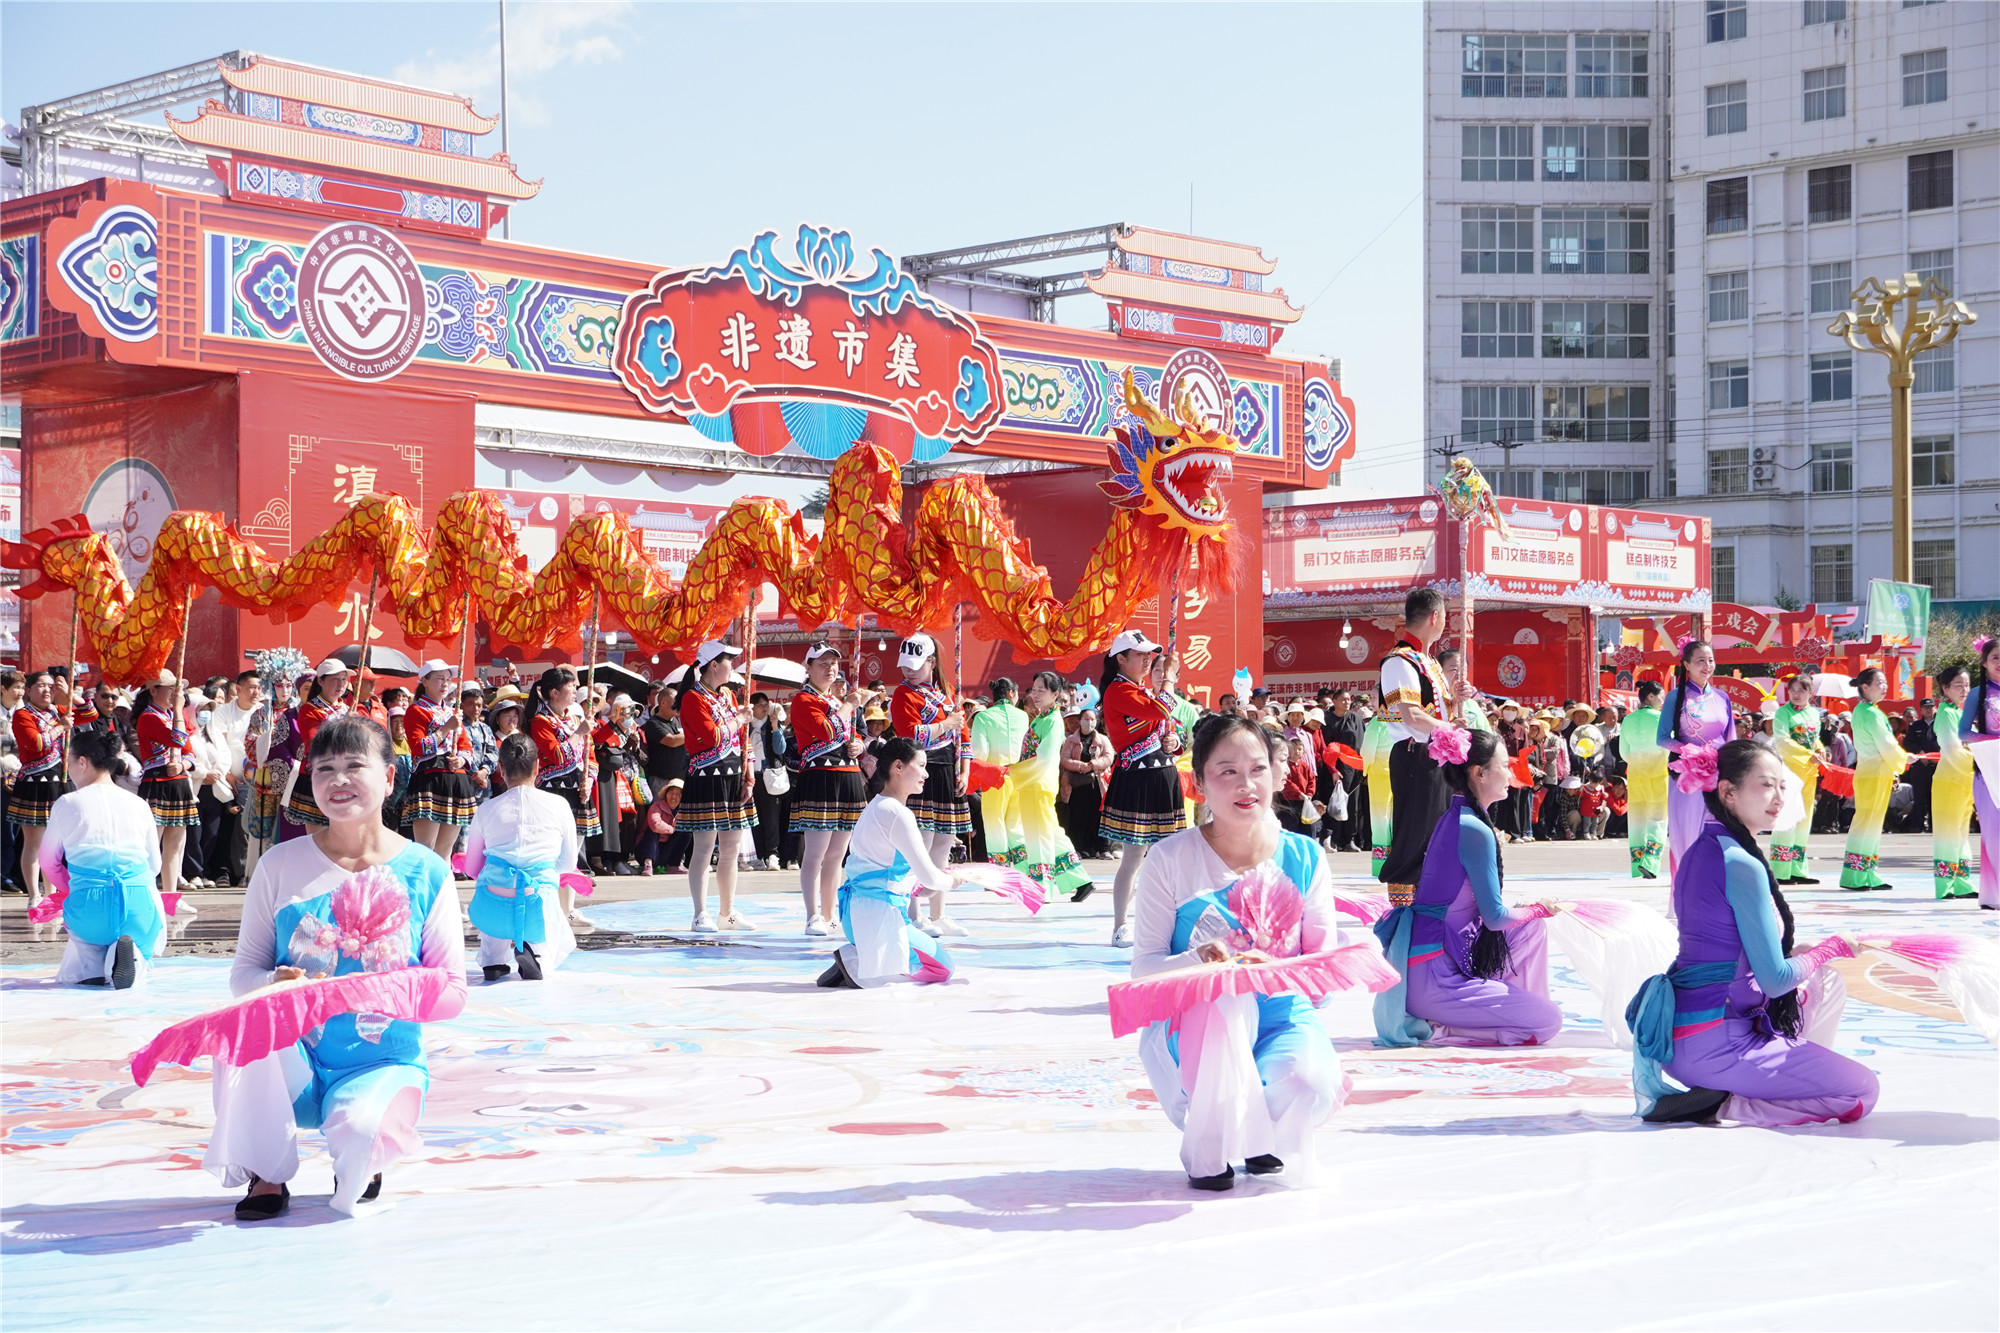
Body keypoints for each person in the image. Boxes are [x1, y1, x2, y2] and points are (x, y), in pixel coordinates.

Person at [204, 714, 467, 1219]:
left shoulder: (426, 871)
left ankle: (362, 1147)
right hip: (292, 1060)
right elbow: (243, 975)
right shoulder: (279, 865)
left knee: (361, 1138)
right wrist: (274, 983)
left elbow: (453, 992)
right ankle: (266, 1169)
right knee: (243, 1029)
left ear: (389, 777)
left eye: (353, 766)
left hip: (380, 1059)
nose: (338, 780)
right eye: (324, 769)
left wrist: (379, 989)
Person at [1132, 714, 1359, 1190]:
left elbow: (1322, 978)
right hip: (1196, 1022)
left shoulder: (1305, 857)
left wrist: (1275, 970)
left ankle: (1259, 1136)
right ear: (1199, 783)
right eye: (1227, 771)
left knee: (1307, 1083)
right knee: (1222, 998)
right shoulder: (1170, 859)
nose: (1245, 784)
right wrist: (1198, 961)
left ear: (1275, 774)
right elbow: (1144, 971)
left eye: (1257, 769)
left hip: (1283, 1014)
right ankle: (1210, 1146)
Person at [1628, 739, 1876, 1126]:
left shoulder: (1701, 849)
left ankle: (1765, 1081)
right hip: (1717, 1043)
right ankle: (1725, 1104)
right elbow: (1775, 981)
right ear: (1728, 792)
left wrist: (1806, 956)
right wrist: (1830, 948)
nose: (1779, 797)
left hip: (1683, 1037)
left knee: (1823, 980)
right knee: (1861, 1090)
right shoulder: (1740, 862)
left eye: (1782, 785)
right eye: (1766, 785)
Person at [1373, 727, 1562, 1047]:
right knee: (1548, 1020)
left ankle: (1491, 1006)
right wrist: (1539, 908)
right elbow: (1495, 918)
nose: (1511, 773)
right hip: (1434, 978)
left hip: (1439, 958)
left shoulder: (1460, 816)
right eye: (1505, 765)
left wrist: (1532, 914)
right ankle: (1442, 1026)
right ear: (1479, 773)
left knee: (1530, 929)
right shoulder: (1472, 828)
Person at [815, 737, 968, 990]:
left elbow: (884, 870)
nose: (926, 774)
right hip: (879, 917)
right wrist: (954, 880)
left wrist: (925, 887)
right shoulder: (897, 813)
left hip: (857, 915)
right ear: (898, 767)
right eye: (921, 766)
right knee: (942, 968)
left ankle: (860, 956)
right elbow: (930, 877)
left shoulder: (875, 806)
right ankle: (855, 963)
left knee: (912, 964)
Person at [43, 727, 165, 989]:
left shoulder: (67, 803)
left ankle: (94, 967)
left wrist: (71, 887)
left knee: (85, 944)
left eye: (69, 763)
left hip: (89, 905)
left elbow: (48, 861)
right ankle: (130, 958)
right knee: (139, 931)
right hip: (137, 905)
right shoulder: (139, 804)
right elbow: (154, 866)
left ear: (82, 762)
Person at [1096, 629, 1187, 947]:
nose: (1148, 659)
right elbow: (1161, 710)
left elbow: (1168, 727)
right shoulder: (1118, 691)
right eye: (1140, 654)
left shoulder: (1142, 690)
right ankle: (1121, 925)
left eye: (1150, 654)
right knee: (1133, 857)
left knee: (1171, 857)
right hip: (1137, 778)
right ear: (1121, 659)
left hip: (1164, 776)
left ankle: (1169, 921)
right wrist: (1169, 677)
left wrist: (1174, 742)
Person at [463, 733, 578, 982]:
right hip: (537, 901)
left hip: (493, 903)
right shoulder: (559, 805)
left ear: (501, 768)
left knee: (495, 888)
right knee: (539, 894)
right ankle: (537, 955)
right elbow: (568, 863)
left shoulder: (486, 809)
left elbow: (471, 868)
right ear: (537, 766)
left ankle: (493, 960)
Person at [889, 634, 972, 937]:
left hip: (947, 771)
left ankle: (939, 913)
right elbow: (909, 734)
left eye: (916, 665)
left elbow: (964, 737)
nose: (909, 671)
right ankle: (915, 913)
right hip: (921, 771)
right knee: (919, 845)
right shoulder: (903, 694)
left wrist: (965, 771)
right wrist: (946, 724)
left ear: (932, 662)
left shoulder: (947, 693)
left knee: (944, 843)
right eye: (905, 665)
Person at [1376, 589, 1453, 906]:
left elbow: (1434, 712)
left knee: (1438, 833)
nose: (1446, 622)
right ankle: (1403, 911)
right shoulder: (1399, 661)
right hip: (1415, 755)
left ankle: (1429, 902)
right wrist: (1452, 730)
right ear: (1435, 617)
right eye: (1445, 615)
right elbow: (1412, 715)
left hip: (1436, 756)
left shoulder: (1428, 661)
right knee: (1415, 835)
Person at [677, 641, 757, 932]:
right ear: (713, 665)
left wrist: (749, 776)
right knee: (703, 848)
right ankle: (700, 913)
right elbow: (712, 737)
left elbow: (742, 739)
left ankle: (728, 911)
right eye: (728, 661)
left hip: (733, 776)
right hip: (706, 777)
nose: (732, 666)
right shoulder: (692, 698)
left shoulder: (727, 695)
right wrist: (740, 719)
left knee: (731, 848)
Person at [789, 641, 868, 935]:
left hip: (847, 776)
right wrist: (849, 705)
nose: (830, 668)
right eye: (822, 664)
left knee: (838, 853)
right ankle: (812, 915)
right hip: (820, 777)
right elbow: (827, 730)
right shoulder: (803, 699)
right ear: (808, 668)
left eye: (833, 663)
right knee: (816, 852)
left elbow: (850, 735)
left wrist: (859, 746)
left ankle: (829, 911)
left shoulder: (836, 701)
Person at [997, 671, 1094, 899]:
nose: (1036, 694)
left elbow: (1045, 759)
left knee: (1038, 836)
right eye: (1034, 689)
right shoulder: (1042, 717)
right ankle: (1079, 880)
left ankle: (1042, 888)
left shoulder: (1052, 721)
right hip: (1032, 783)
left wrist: (1012, 770)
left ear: (1055, 694)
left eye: (1042, 690)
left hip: (1038, 783)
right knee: (1049, 833)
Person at [1658, 639, 1736, 878]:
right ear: (1686, 665)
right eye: (1700, 660)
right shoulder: (1675, 697)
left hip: (1719, 774)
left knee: (1719, 830)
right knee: (1688, 833)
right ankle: (1687, 886)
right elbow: (1662, 738)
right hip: (1688, 777)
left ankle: (1715, 885)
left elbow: (1730, 738)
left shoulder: (1722, 697)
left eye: (1710, 660)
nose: (1707, 665)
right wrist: (1690, 752)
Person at [134, 671, 200, 900]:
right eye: (171, 688)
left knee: (175, 845)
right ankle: (145, 894)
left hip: (178, 782)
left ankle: (171, 897)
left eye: (177, 689)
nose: (176, 693)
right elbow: (177, 739)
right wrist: (179, 711)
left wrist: (182, 765)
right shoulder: (148, 717)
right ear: (154, 690)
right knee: (151, 844)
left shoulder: (174, 716)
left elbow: (189, 752)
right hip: (157, 783)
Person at [1839, 668, 1907, 890]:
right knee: (1866, 823)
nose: (1884, 686)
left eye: (1885, 682)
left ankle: (1866, 873)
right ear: (1865, 687)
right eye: (1880, 682)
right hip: (1873, 772)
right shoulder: (1870, 713)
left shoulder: (1866, 710)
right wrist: (1903, 759)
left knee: (1871, 824)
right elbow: (1886, 744)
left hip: (1874, 771)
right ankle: (1856, 876)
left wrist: (1896, 765)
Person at [10, 670, 71, 910]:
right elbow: (35, 743)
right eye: (41, 685)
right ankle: (34, 894)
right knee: (34, 843)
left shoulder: (58, 710)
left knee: (54, 845)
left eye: (51, 686)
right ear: (28, 690)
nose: (48, 690)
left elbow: (90, 713)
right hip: (35, 784)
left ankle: (52, 893)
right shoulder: (23, 715)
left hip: (58, 784)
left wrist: (70, 694)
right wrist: (60, 728)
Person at [1767, 672, 1827, 885]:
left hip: (1809, 772)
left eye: (1801, 690)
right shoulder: (1783, 713)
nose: (1796, 694)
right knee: (1787, 817)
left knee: (1804, 819)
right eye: (1792, 690)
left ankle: (1797, 870)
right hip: (1789, 772)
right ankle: (1780, 871)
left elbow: (1814, 739)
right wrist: (1808, 754)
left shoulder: (1813, 714)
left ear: (1811, 693)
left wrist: (1820, 750)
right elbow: (1782, 741)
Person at [281, 660, 352, 839]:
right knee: (318, 838)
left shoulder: (348, 709)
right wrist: (345, 727)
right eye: (335, 679)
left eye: (344, 679)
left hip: (345, 776)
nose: (341, 684)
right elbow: (316, 743)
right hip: (318, 776)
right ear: (320, 681)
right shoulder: (310, 709)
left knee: (343, 835)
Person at [971, 676, 1031, 871]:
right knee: (1016, 827)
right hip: (1019, 777)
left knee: (994, 825)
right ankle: (1023, 870)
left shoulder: (983, 717)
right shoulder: (1023, 717)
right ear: (1011, 693)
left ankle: (1001, 872)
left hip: (994, 777)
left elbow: (980, 753)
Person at [1929, 665, 1977, 900]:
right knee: (1949, 832)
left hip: (1964, 779)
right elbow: (1952, 750)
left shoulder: (1960, 713)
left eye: (1967, 685)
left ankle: (1961, 882)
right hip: (1950, 780)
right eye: (1958, 685)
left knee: (1961, 831)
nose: (1964, 689)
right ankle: (1945, 885)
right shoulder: (1946, 713)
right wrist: (1977, 764)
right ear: (1945, 688)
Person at [1963, 635, 2000, 909]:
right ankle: (1993, 895)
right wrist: (1993, 741)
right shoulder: (1978, 693)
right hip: (1988, 769)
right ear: (1984, 662)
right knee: (1994, 833)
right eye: (1995, 657)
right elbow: (1963, 733)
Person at [1622, 680, 1668, 878]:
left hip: (1636, 774)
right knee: (1657, 818)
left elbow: (1624, 752)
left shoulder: (1627, 720)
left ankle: (1636, 866)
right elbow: (1669, 748)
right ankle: (1650, 862)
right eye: (1661, 696)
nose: (1662, 701)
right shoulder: (1661, 719)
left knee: (1637, 820)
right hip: (1658, 774)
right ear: (1651, 696)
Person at [1059, 706, 1113, 861]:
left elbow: (1108, 757)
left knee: (1099, 817)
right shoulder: (1070, 740)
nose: (1089, 722)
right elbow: (1065, 759)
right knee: (1077, 817)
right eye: (1086, 719)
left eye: (1092, 719)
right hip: (1076, 785)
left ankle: (1103, 849)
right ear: (1080, 721)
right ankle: (1079, 849)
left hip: (1097, 783)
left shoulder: (1103, 739)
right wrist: (1080, 766)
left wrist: (1092, 765)